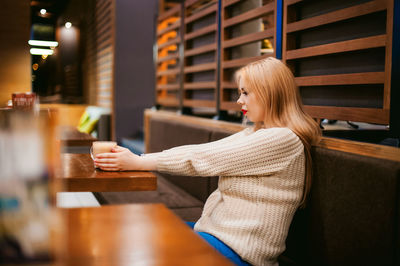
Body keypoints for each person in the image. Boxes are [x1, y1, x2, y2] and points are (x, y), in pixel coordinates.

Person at [94, 57, 321, 266]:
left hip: (239, 252)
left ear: (269, 94)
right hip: (215, 234)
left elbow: (203, 158)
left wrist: (139, 162)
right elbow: (205, 150)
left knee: (133, 246)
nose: (239, 100)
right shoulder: (255, 132)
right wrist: (137, 159)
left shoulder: (283, 139)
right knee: (131, 231)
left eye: (245, 93)